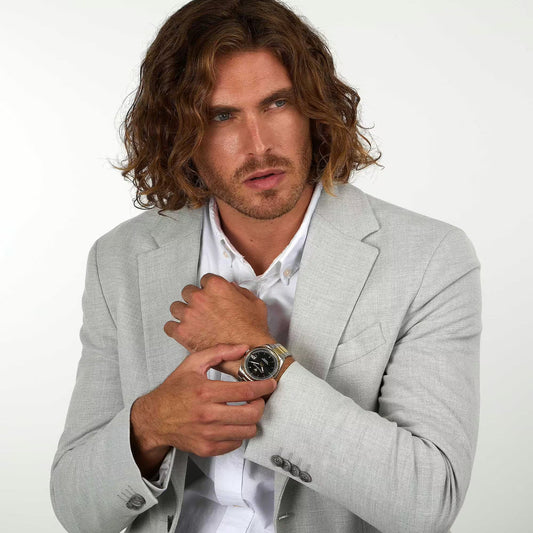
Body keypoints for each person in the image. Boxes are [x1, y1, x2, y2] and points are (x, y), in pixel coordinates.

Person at [50, 0, 482, 532]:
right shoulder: (119, 259)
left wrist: (257, 352)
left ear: (314, 109)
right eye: (222, 115)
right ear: (178, 132)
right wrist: (150, 425)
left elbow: (428, 502)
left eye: (277, 103)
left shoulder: (429, 258)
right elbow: (75, 507)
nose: (259, 146)